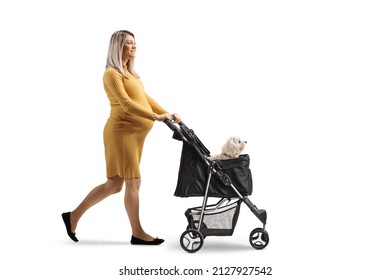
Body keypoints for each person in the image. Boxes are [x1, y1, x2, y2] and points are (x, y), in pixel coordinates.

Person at [62, 30, 181, 245]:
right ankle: (138, 233)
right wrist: (156, 117)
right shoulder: (111, 73)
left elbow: (144, 98)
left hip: (134, 135)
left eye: (135, 43)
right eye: (129, 43)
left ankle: (73, 216)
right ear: (118, 46)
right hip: (122, 132)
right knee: (133, 181)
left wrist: (168, 114)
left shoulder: (129, 73)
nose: (134, 46)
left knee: (115, 184)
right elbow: (126, 103)